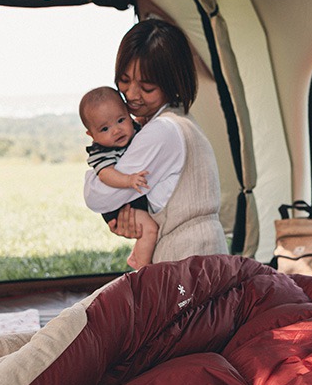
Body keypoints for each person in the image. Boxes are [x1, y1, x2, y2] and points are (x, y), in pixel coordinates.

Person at [83, 19, 228, 264]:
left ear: (172, 84)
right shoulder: (182, 120)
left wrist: (91, 179)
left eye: (147, 87)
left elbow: (97, 198)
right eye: (124, 80)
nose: (131, 94)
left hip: (182, 258)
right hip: (203, 253)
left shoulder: (161, 132)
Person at [79, 86, 159, 269]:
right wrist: (128, 180)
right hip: (117, 207)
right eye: (105, 128)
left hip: (134, 197)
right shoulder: (101, 151)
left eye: (121, 120)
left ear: (129, 114)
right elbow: (106, 175)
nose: (116, 130)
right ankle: (142, 268)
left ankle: (137, 256)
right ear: (91, 135)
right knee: (149, 229)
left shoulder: (137, 129)